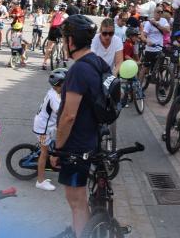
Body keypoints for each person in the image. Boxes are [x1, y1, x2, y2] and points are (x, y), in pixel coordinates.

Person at [49, 15, 101, 238]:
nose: (63, 43)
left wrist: (58, 148)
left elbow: (69, 115)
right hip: (92, 139)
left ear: (71, 41)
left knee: (76, 201)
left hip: (76, 147)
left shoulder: (78, 70)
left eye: (64, 39)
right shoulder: (97, 62)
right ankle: (86, 230)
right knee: (81, 200)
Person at [33, 68, 66, 191]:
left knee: (47, 149)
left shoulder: (55, 92)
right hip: (43, 128)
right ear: (59, 84)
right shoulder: (54, 97)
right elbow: (62, 113)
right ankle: (40, 181)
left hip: (45, 125)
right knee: (44, 153)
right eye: (65, 83)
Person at [141, 6, 171, 81]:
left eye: (161, 12)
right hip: (150, 49)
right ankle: (139, 86)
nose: (160, 13)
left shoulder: (163, 20)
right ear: (154, 13)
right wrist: (147, 41)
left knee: (160, 68)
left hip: (159, 48)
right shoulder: (148, 23)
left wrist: (157, 24)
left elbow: (167, 30)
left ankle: (160, 86)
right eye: (158, 12)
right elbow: (143, 35)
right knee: (145, 67)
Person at [42, 5, 68, 70]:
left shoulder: (54, 14)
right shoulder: (66, 15)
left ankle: (44, 63)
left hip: (52, 30)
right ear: (65, 9)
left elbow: (51, 24)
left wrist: (50, 32)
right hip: (60, 31)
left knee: (49, 48)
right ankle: (64, 58)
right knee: (64, 44)